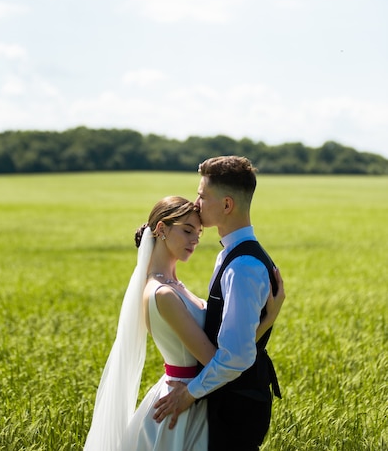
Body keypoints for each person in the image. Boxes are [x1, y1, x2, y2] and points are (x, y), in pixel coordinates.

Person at [83, 194, 284, 451]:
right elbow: (214, 357)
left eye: (198, 234)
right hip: (182, 403)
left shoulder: (174, 286)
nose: (194, 240)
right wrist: (267, 321)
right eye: (188, 231)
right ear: (161, 229)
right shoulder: (163, 293)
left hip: (196, 395)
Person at [153, 156, 284, 451]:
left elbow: (236, 356)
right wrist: (269, 318)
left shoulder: (243, 266)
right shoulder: (231, 254)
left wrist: (189, 394)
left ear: (226, 205)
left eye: (202, 195)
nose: (196, 203)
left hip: (237, 406)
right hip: (229, 399)